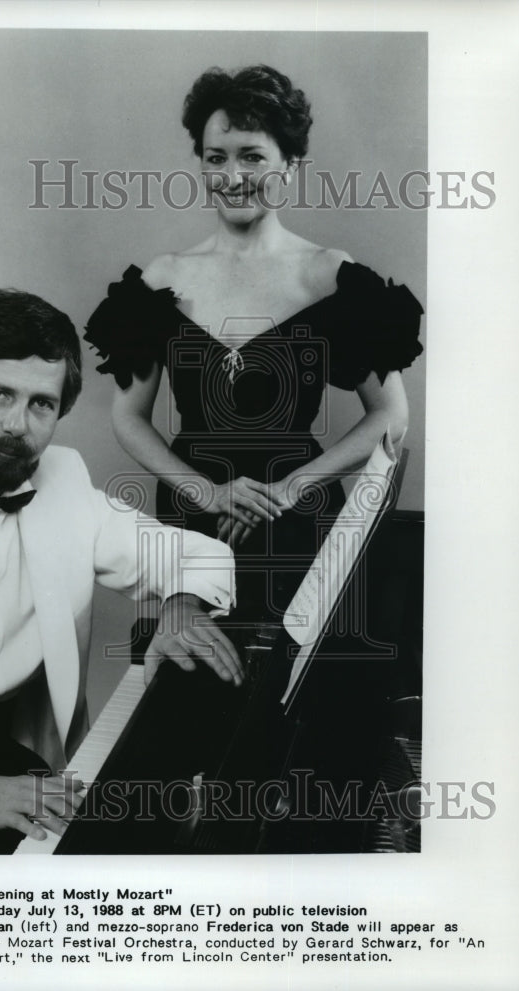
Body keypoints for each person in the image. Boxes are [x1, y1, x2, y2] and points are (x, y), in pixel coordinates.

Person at [0, 287, 242, 854]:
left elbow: (201, 554)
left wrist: (179, 608)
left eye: (41, 404)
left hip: (19, 765)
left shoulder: (63, 481)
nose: (18, 424)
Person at [85, 65, 424, 615]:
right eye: (216, 157)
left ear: (289, 165)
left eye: (253, 156)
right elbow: (129, 418)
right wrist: (207, 492)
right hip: (194, 519)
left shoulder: (330, 274)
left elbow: (391, 417)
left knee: (291, 690)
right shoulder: (162, 277)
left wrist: (290, 490)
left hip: (298, 518)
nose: (232, 174)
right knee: (186, 685)